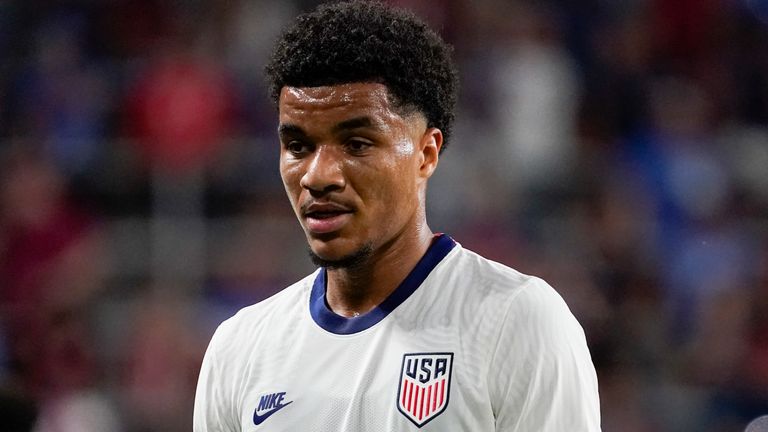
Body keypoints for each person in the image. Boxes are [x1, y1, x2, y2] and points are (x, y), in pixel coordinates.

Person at [193, 1, 601, 431]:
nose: (317, 176)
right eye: (298, 147)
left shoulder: (515, 322)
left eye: (356, 144)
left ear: (426, 154)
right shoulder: (240, 348)